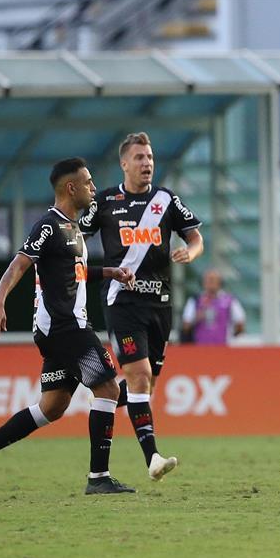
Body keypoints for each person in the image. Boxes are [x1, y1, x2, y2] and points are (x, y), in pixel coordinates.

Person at [0, 158, 137, 496]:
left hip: (62, 328)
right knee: (109, 390)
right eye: (88, 182)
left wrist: (109, 272)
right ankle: (99, 477)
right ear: (71, 188)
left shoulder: (73, 229)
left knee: (52, 406)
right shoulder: (48, 226)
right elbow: (19, 264)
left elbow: (73, 272)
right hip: (64, 328)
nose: (93, 188)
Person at [80, 132, 203, 481]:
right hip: (122, 302)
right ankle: (152, 459)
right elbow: (75, 235)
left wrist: (189, 252)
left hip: (160, 305)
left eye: (149, 157)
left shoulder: (166, 200)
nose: (147, 163)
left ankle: (103, 401)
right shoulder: (104, 202)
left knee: (145, 387)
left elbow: (195, 237)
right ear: (124, 163)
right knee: (140, 376)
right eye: (139, 158)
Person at [181, 269, 246, 344]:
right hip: (199, 347)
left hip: (223, 346)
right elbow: (186, 326)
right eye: (207, 280)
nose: (209, 283)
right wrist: (198, 316)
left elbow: (240, 323)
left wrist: (232, 337)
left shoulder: (230, 300)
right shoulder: (195, 300)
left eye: (212, 280)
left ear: (220, 282)